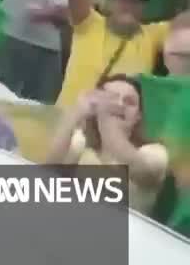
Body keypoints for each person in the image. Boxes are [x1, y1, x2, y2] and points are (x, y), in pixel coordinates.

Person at [57, 0, 171, 106]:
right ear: (109, 3)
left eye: (136, 1)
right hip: (70, 120)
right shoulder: (89, 24)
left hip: (115, 127)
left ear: (144, 8)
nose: (129, 5)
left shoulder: (152, 35)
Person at [47, 76, 168, 215]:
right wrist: (75, 114)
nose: (120, 104)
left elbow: (142, 172)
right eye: (110, 98)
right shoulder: (80, 144)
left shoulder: (154, 153)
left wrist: (107, 122)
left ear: (138, 116)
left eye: (129, 102)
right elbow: (47, 176)